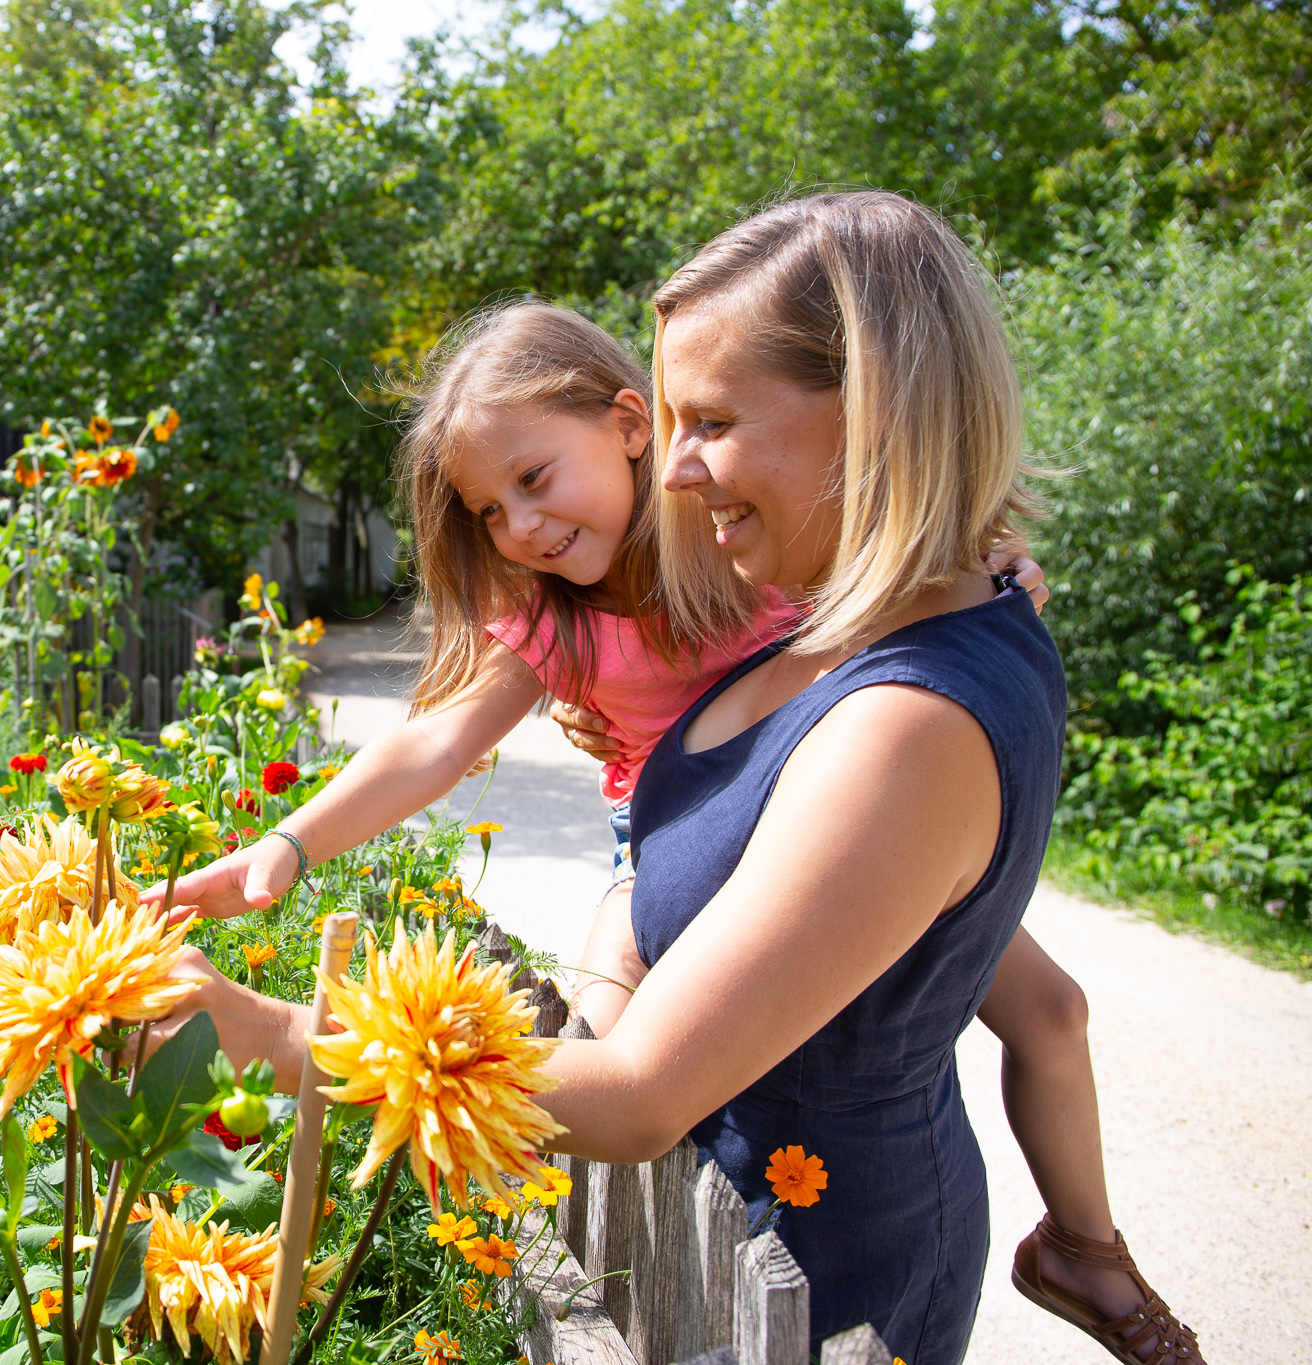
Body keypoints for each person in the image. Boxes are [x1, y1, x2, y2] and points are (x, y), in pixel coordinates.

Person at [152, 200, 1200, 1363]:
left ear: (879, 410)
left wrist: (266, 1034)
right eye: (493, 512)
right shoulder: (841, 601)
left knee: (1039, 1013)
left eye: (708, 419)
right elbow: (444, 744)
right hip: (752, 1242)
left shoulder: (899, 709)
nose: (680, 467)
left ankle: (1088, 1253)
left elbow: (642, 1092)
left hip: (826, 1278)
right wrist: (290, 845)